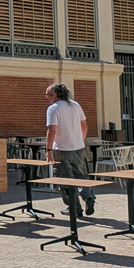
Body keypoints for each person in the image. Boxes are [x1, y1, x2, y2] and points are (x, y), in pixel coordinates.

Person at [45, 84, 95, 218]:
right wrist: (80, 140)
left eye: (48, 94)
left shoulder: (53, 109)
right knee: (81, 175)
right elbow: (84, 125)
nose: (46, 97)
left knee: (65, 180)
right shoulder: (75, 105)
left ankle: (74, 207)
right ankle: (88, 197)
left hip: (61, 149)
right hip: (78, 147)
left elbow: (52, 130)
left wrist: (48, 149)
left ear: (54, 94)